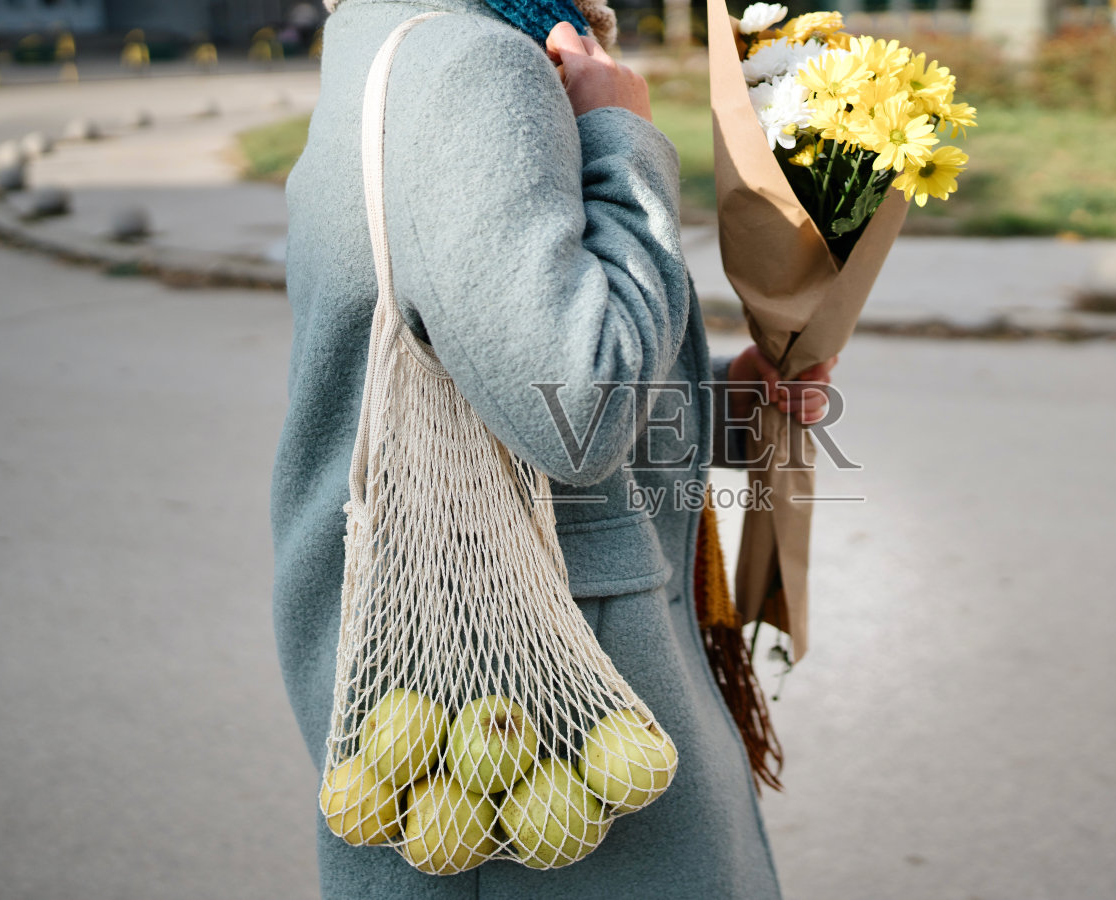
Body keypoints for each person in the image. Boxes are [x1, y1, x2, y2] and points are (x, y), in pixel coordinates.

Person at [271, 0, 834, 896]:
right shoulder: (474, 64)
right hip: (536, 709)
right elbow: (584, 399)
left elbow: (485, 362)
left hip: (487, 692)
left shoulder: (394, 38)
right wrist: (620, 135)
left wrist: (720, 406)